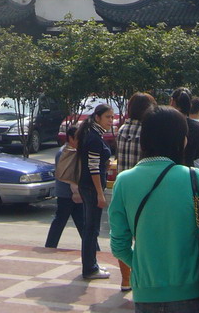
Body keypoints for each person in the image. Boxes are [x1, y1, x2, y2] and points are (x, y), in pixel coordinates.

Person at [109, 105, 199, 313]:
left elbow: (119, 246)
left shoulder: (124, 182)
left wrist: (141, 267)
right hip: (190, 294)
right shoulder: (194, 179)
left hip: (145, 295)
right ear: (180, 140)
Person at [114, 92, 155, 293]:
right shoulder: (147, 131)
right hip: (143, 191)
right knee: (143, 237)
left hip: (123, 189)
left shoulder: (122, 129)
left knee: (123, 236)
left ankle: (125, 279)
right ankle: (142, 276)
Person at [77, 102, 114, 280]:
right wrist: (100, 193)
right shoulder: (93, 138)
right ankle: (90, 268)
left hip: (89, 187)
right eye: (108, 117)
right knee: (91, 229)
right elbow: (93, 169)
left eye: (112, 117)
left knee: (90, 228)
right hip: (91, 188)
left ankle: (91, 264)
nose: (111, 121)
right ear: (97, 117)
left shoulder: (93, 135)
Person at [45, 124, 86, 249]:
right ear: (70, 138)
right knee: (60, 221)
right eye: (78, 139)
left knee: (82, 223)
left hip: (76, 193)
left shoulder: (75, 151)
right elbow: (67, 174)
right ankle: (50, 246)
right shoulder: (64, 152)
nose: (80, 142)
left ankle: (93, 248)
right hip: (65, 194)